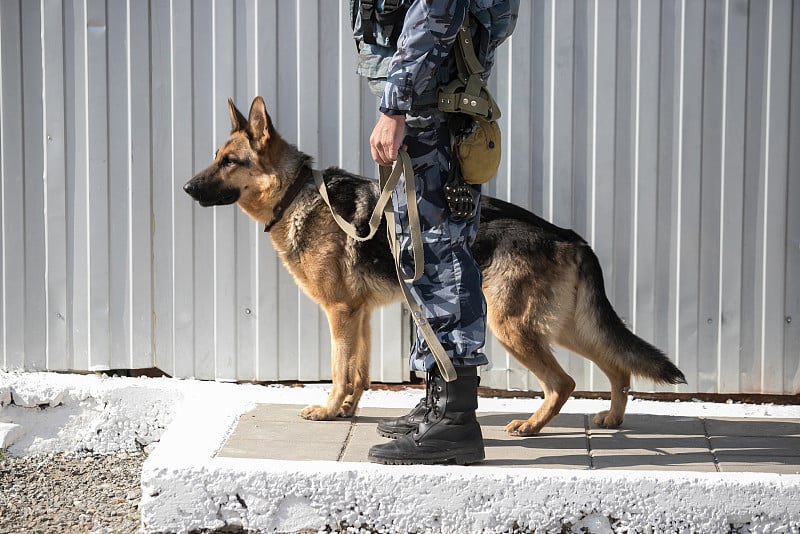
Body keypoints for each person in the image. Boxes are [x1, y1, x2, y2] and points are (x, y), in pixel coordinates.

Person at [351, 0, 519, 465]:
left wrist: (397, 103)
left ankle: (454, 421)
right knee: (428, 258)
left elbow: (436, 12)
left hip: (429, 113)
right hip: (438, 107)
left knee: (439, 260)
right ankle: (438, 401)